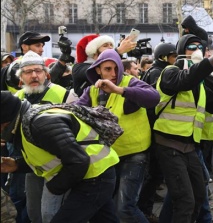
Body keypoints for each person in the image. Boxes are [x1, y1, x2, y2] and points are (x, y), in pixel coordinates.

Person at [0, 91, 121, 223]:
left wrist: (54, 187)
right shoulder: (27, 121)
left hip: (95, 178)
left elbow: (78, 161)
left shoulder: (40, 125)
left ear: (5, 122)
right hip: (92, 177)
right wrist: (17, 165)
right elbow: (52, 155)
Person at [153, 34, 213, 223]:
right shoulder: (169, 73)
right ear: (181, 52)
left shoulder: (199, 84)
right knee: (185, 201)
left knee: (199, 196)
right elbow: (188, 78)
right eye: (191, 47)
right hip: (169, 145)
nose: (197, 51)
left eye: (200, 47)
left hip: (190, 147)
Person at [74, 48, 160, 222]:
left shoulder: (131, 82)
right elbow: (74, 112)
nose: (113, 74)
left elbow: (154, 97)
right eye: (107, 69)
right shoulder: (91, 91)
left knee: (126, 208)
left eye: (116, 68)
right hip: (107, 157)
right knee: (108, 208)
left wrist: (120, 90)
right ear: (98, 70)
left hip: (135, 154)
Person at [13, 51, 77, 222]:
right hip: (33, 166)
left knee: (52, 215)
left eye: (38, 71)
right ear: (21, 78)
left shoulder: (64, 94)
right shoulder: (16, 100)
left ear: (47, 74)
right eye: (28, 72)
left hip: (61, 167)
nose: (34, 75)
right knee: (34, 213)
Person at [138, 42, 177, 223]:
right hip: (155, 128)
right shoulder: (158, 73)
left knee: (155, 173)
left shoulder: (155, 71)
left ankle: (145, 207)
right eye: (173, 56)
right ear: (163, 57)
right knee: (154, 174)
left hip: (153, 128)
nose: (175, 60)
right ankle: (144, 209)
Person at [72, 34, 136, 97]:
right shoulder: (78, 67)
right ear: (94, 51)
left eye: (111, 45)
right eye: (105, 46)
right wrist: (118, 51)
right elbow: (92, 71)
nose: (110, 48)